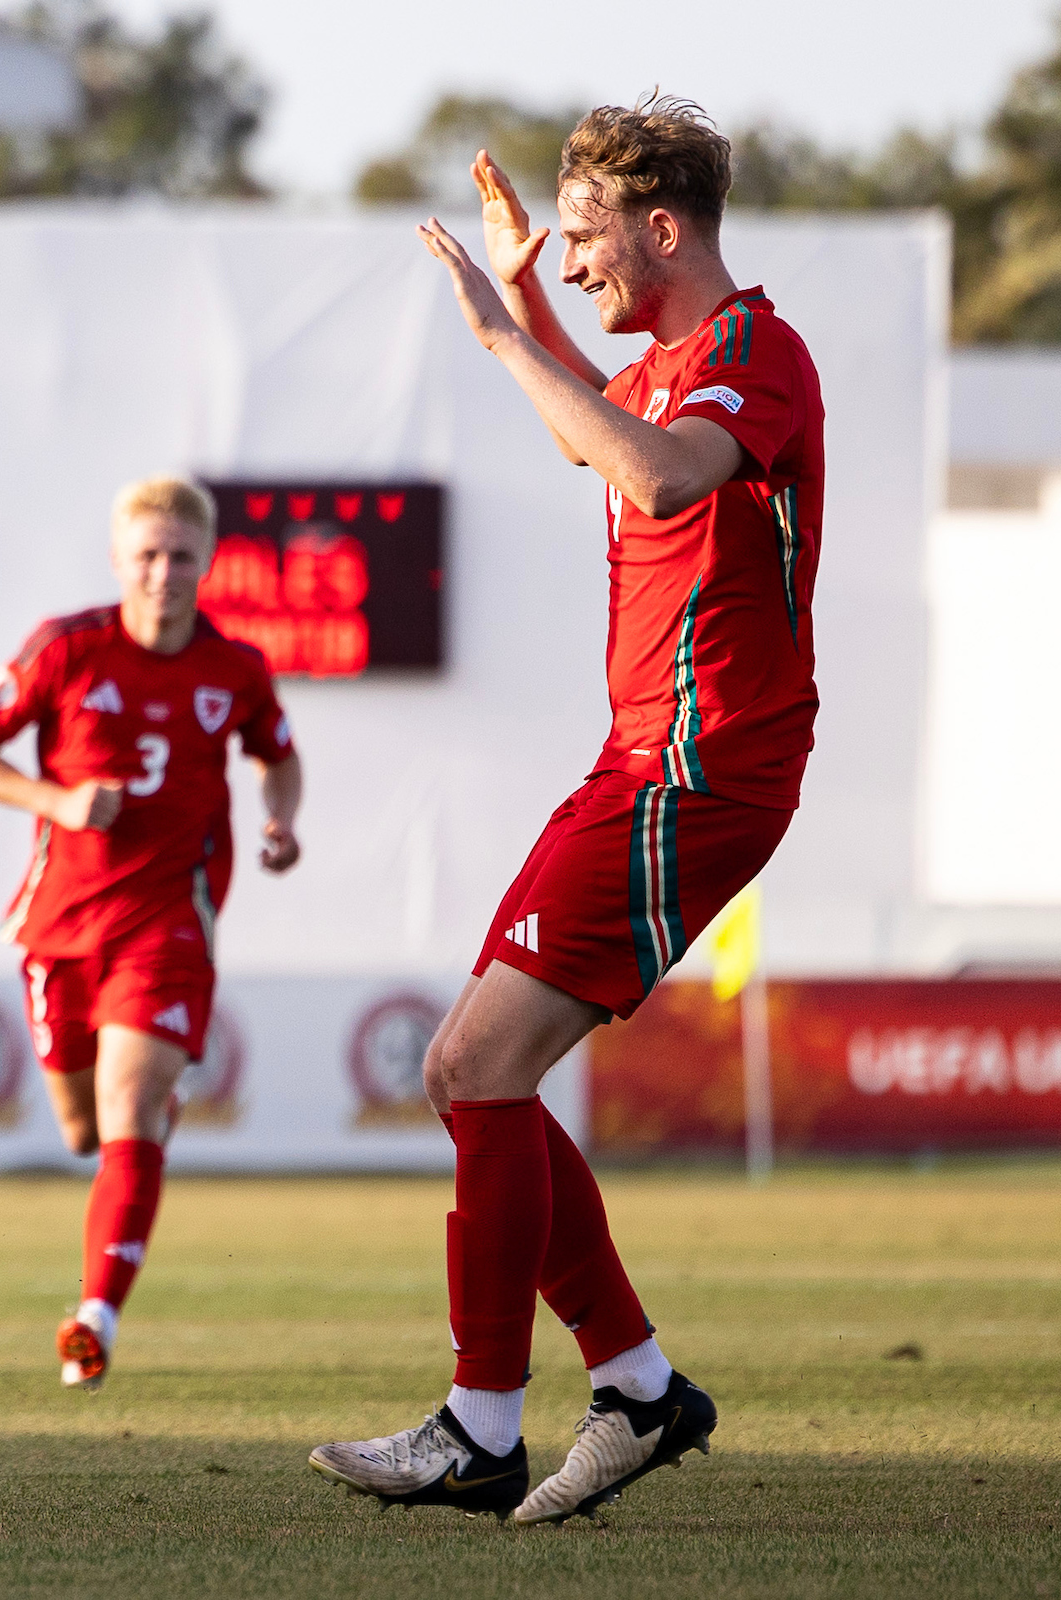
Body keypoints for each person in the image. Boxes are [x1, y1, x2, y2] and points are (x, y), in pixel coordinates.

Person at [307, 96, 822, 1523]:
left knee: (476, 1065)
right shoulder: (662, 367)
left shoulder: (756, 353)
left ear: (664, 230)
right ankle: (637, 1388)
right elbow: (594, 438)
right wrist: (527, 289)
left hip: (701, 767)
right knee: (467, 1073)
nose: (577, 260)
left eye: (588, 237)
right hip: (640, 759)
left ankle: (484, 1426)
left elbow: (654, 475)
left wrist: (501, 333)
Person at [0, 476, 303, 1392]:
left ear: (208, 561)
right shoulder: (66, 648)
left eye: (181, 556)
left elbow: (279, 755)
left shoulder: (235, 667)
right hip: (60, 924)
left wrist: (280, 820)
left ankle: (94, 1316)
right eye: (147, 555)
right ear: (118, 560)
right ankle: (139, 1131)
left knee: (130, 1107)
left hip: (170, 921)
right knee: (83, 1129)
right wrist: (57, 799)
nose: (163, 573)